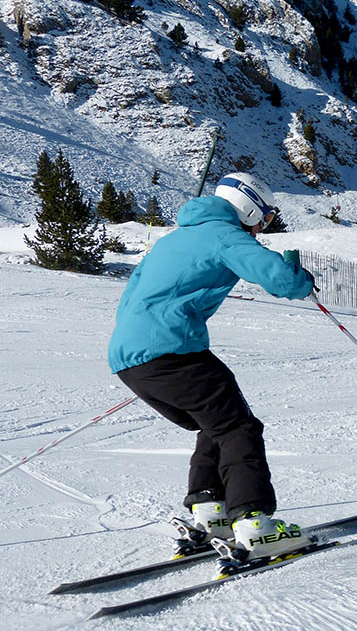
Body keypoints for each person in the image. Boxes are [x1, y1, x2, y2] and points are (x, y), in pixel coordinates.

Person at [107, 172, 316, 559]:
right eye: (264, 217)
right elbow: (276, 277)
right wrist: (299, 279)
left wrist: (142, 356)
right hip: (171, 348)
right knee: (238, 426)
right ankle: (255, 524)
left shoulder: (177, 237)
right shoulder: (223, 233)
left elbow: (133, 293)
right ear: (250, 206)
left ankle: (211, 511)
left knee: (216, 421)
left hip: (129, 356)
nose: (262, 226)